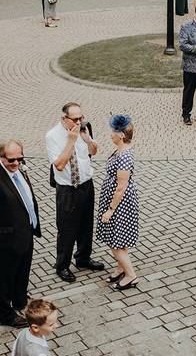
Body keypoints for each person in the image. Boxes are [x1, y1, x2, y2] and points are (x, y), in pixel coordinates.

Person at [0, 139, 42, 327]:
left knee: (22, 270)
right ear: (1, 157)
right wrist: (2, 230)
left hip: (25, 234)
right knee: (4, 277)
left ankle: (19, 299)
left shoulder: (20, 169)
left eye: (19, 159)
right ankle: (6, 314)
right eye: (11, 160)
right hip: (6, 240)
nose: (16, 164)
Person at [46, 102, 105, 283]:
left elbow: (93, 152)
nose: (79, 122)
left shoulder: (84, 128)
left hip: (86, 184)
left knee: (86, 224)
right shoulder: (53, 136)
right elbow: (60, 164)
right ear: (64, 118)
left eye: (81, 117)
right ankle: (62, 265)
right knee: (67, 228)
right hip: (67, 189)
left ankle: (83, 259)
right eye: (75, 119)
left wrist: (88, 140)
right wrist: (71, 141)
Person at [97, 114, 140, 291]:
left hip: (120, 203)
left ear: (121, 135)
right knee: (119, 239)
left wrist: (110, 210)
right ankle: (120, 269)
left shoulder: (124, 156)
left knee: (116, 241)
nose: (110, 135)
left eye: (113, 132)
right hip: (117, 200)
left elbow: (121, 187)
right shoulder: (121, 151)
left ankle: (131, 275)